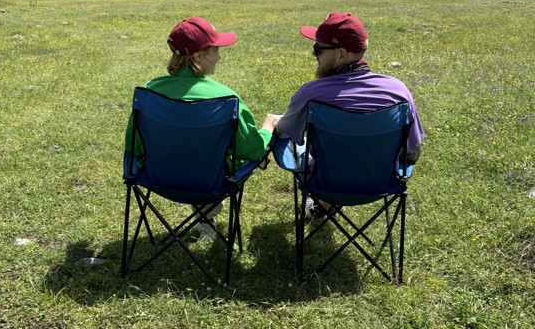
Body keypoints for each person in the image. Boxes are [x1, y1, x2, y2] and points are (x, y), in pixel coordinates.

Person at [125, 17, 272, 238]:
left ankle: (205, 218)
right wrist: (267, 128)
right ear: (197, 55)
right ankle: (207, 217)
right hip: (212, 184)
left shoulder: (147, 93)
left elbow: (133, 147)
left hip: (158, 180)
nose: (219, 57)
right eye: (215, 50)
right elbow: (253, 151)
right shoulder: (226, 99)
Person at [266, 12, 424, 218]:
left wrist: (276, 124)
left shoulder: (311, 93)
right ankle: (324, 203)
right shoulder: (398, 92)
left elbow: (285, 133)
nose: (315, 55)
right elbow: (412, 152)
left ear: (341, 54)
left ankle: (322, 203)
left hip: (324, 183)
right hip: (382, 184)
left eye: (318, 49)